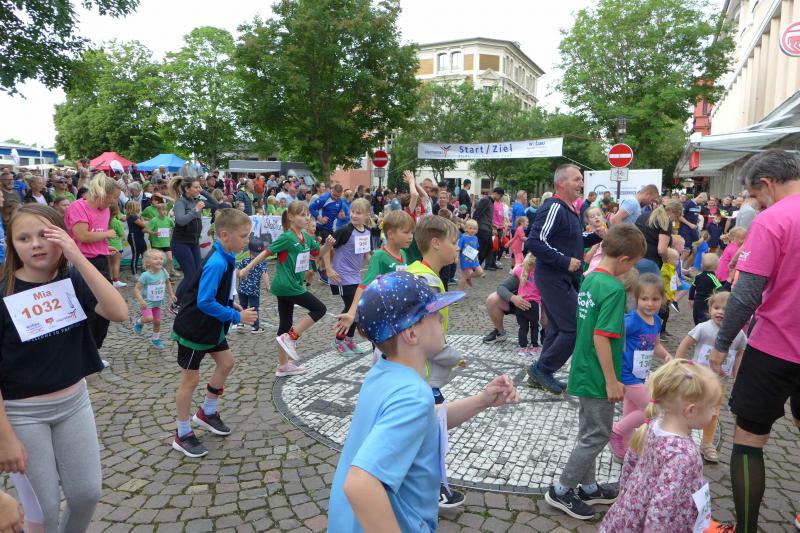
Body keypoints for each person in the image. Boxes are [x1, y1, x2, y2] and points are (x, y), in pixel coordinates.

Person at [328, 271, 519, 532]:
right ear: (411, 334)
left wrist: (482, 400)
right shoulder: (413, 395)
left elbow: (427, 417)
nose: (441, 317)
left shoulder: (383, 370)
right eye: (433, 313)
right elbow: (360, 484)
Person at [0, 204, 128, 530]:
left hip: (74, 403)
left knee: (86, 494)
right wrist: (5, 437)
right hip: (22, 414)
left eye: (45, 235)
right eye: (24, 238)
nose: (35, 244)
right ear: (12, 245)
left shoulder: (73, 279)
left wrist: (78, 257)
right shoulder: (4, 291)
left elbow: (118, 312)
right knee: (42, 513)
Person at [706, 149, 800, 533]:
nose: (757, 204)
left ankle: (745, 529)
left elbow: (745, 294)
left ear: (767, 183)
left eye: (756, 196)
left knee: (749, 439)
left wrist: (722, 344)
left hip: (775, 346)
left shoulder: (774, 219)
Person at [544, 223, 645, 520]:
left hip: (583, 367)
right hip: (599, 375)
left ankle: (588, 487)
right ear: (624, 260)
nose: (631, 270)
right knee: (597, 435)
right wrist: (612, 381)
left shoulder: (590, 279)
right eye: (633, 264)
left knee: (588, 432)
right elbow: (602, 336)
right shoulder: (614, 289)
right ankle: (562, 490)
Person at [170, 209, 258, 458]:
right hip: (194, 330)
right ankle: (182, 433)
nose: (247, 240)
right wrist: (236, 316)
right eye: (243, 236)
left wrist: (231, 304)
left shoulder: (227, 255)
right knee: (190, 381)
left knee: (226, 362)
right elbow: (205, 301)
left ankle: (207, 412)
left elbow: (218, 294)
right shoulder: (218, 262)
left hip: (211, 326)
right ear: (225, 235)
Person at [599, 359, 723, 532]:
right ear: (691, 410)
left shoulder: (653, 425)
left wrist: (625, 493)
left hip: (632, 507)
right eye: (712, 407)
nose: (715, 412)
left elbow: (630, 461)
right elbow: (661, 511)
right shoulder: (683, 455)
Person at [525, 165, 604, 394]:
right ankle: (542, 369)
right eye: (577, 179)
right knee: (575, 326)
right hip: (553, 277)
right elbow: (535, 242)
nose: (582, 184)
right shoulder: (554, 207)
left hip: (562, 278)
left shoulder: (570, 209)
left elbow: (572, 239)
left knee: (558, 327)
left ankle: (542, 373)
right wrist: (564, 261)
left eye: (581, 180)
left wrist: (594, 237)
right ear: (561, 183)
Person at [260, 201, 334, 377]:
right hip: (289, 286)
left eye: (307, 214)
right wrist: (247, 268)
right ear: (291, 217)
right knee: (319, 308)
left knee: (284, 324)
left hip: (288, 286)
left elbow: (317, 254)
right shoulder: (287, 237)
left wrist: (327, 245)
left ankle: (283, 366)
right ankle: (291, 337)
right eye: (302, 215)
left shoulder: (306, 237)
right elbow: (266, 252)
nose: (307, 218)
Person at [676, 291, 746, 464]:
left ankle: (706, 444)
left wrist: (737, 375)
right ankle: (683, 435)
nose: (720, 312)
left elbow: (739, 354)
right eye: (716, 308)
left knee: (713, 413)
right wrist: (678, 364)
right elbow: (685, 344)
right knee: (689, 406)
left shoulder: (738, 334)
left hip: (719, 384)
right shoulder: (704, 328)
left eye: (726, 309)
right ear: (709, 309)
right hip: (696, 381)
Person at [609, 273, 672, 460]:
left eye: (655, 299)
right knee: (653, 410)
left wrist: (666, 355)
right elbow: (612, 338)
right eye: (644, 299)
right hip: (626, 375)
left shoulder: (657, 321)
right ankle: (616, 430)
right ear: (636, 299)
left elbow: (656, 344)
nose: (650, 304)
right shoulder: (631, 321)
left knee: (630, 414)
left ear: (662, 299)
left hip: (640, 375)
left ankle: (625, 451)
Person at [335, 210, 415, 337]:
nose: (410, 236)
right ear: (390, 234)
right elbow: (363, 285)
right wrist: (351, 313)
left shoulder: (403, 254)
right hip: (383, 316)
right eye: (406, 232)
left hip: (399, 313)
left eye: (412, 232)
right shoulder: (379, 256)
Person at [64, 173, 122, 349]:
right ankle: (82, 351)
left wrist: (104, 247)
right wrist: (107, 234)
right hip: (82, 262)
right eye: (114, 197)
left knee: (105, 309)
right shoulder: (78, 207)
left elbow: (94, 236)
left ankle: (95, 350)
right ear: (103, 193)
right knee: (87, 310)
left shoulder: (105, 210)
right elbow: (82, 236)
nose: (115, 202)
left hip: (100, 261)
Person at [325, 198, 374, 355]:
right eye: (352, 211)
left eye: (358, 213)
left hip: (356, 276)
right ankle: (338, 341)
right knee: (351, 307)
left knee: (358, 308)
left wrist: (375, 267)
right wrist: (328, 269)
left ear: (366, 215)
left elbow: (366, 254)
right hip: (341, 276)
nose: (354, 215)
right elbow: (325, 248)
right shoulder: (345, 231)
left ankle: (349, 339)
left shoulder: (367, 231)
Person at [170, 177, 211, 312]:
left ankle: (189, 301)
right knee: (190, 275)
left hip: (193, 243)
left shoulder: (195, 201)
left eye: (199, 187)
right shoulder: (180, 202)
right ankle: (175, 304)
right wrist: (195, 210)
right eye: (196, 187)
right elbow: (181, 221)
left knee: (197, 274)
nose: (199, 189)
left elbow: (215, 203)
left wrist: (203, 192)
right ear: (187, 189)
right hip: (180, 243)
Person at [133, 249, 175, 349]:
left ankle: (155, 339)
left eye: (161, 258)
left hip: (157, 303)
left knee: (157, 322)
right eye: (155, 259)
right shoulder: (146, 275)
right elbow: (136, 289)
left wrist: (172, 294)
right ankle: (138, 322)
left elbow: (168, 283)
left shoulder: (163, 272)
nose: (159, 260)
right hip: (146, 303)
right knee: (148, 318)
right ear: (148, 263)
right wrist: (141, 300)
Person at [230, 239, 271, 335]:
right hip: (254, 291)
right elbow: (265, 275)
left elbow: (237, 272)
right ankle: (255, 327)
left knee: (242, 306)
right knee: (254, 308)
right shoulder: (262, 263)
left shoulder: (244, 261)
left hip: (242, 289)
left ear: (249, 251)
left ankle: (240, 323)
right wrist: (268, 286)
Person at [634, 200, 683, 273]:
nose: (676, 220)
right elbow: (661, 250)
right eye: (677, 216)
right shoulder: (665, 221)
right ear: (671, 211)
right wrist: (666, 260)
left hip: (634, 257)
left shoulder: (644, 215)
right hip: (650, 261)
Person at [512, 253, 544, 356]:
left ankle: (523, 347)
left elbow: (513, 271)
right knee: (535, 326)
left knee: (522, 327)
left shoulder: (520, 270)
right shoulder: (540, 273)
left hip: (521, 303)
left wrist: (520, 265)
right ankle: (535, 346)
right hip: (534, 304)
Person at [473, 188, 503, 271]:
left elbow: (487, 215)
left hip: (487, 228)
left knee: (488, 247)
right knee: (483, 248)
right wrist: (473, 224)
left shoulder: (491, 202)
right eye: (500, 195)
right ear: (495, 193)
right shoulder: (486, 200)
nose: (500, 198)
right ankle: (476, 266)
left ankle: (477, 265)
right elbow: (477, 212)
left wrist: (492, 225)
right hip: (482, 228)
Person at [689, 253, 722, 325]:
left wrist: (691, 299)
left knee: (696, 317)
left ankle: (697, 328)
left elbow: (692, 288)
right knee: (705, 319)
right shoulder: (712, 277)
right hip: (707, 302)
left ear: (702, 265)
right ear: (716, 266)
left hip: (697, 301)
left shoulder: (698, 276)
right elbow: (720, 288)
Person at [146, 202, 177, 278]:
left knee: (170, 259)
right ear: (158, 211)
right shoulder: (154, 220)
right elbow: (145, 230)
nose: (164, 212)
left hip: (166, 243)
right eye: (162, 210)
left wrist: (171, 234)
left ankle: (167, 277)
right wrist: (154, 233)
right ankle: (156, 276)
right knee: (156, 262)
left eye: (165, 210)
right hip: (156, 244)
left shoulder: (169, 219)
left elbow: (174, 227)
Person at [456, 219, 483, 290]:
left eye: (474, 228)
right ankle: (460, 292)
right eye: (470, 228)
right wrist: (456, 257)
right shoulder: (463, 238)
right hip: (465, 261)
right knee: (464, 277)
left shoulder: (475, 238)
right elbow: (458, 248)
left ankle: (469, 277)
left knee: (480, 272)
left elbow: (476, 249)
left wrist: (477, 258)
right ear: (466, 228)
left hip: (474, 260)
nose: (472, 230)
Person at [125, 201, 148, 276]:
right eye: (137, 206)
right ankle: (134, 274)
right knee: (136, 255)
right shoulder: (132, 216)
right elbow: (143, 225)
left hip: (140, 236)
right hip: (134, 237)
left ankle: (144, 271)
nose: (139, 208)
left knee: (145, 253)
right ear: (133, 207)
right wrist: (144, 220)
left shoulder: (136, 216)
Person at [106, 203, 126, 288]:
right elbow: (122, 234)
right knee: (116, 264)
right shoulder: (117, 222)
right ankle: (115, 281)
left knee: (109, 264)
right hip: (117, 246)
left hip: (106, 246)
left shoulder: (104, 221)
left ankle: (109, 280)